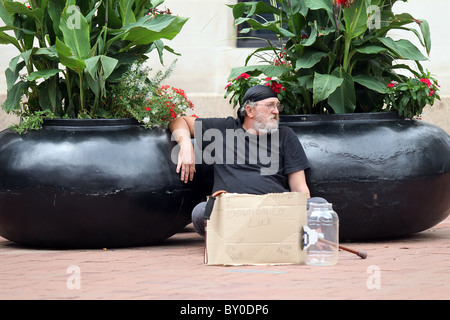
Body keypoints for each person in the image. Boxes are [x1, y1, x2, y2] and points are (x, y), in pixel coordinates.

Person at [169, 85, 327, 236]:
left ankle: (255, 236)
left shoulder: (285, 135)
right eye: (270, 106)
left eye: (277, 106)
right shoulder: (223, 129)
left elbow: (299, 187)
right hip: (232, 212)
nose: (276, 111)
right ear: (250, 110)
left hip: (275, 211)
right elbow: (178, 121)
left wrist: (307, 214)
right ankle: (263, 236)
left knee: (319, 205)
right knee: (200, 212)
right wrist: (186, 145)